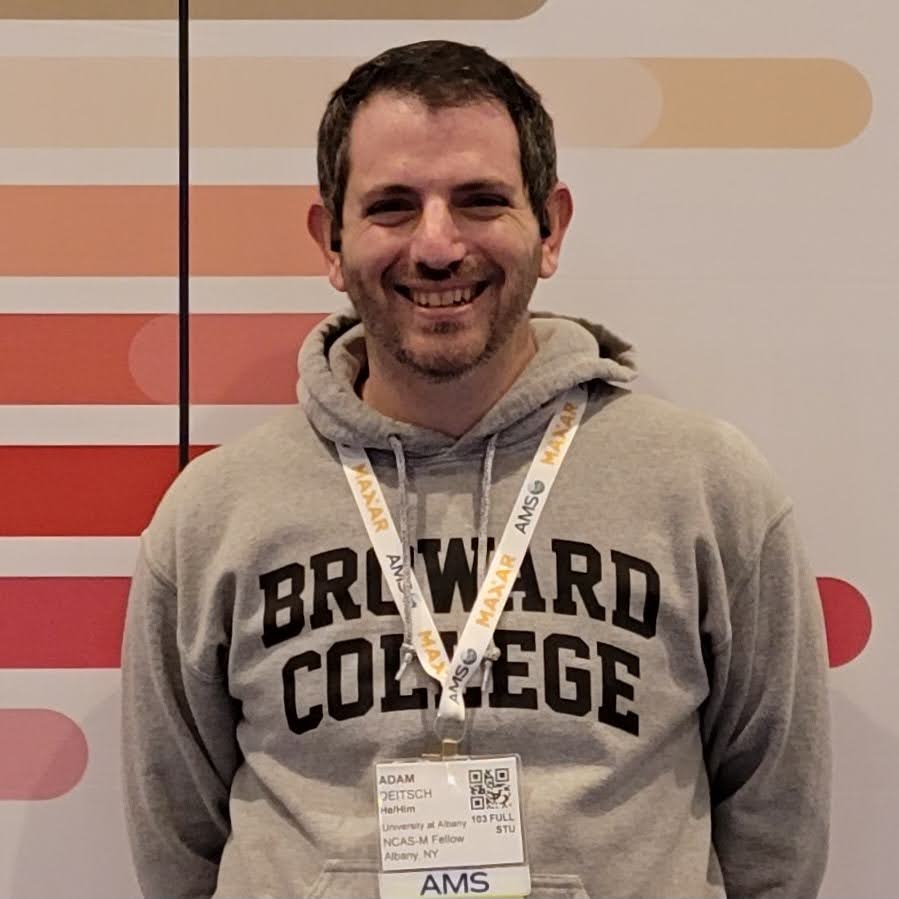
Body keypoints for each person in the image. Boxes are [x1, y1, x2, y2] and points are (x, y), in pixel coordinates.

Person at [121, 40, 831, 899]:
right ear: (331, 241)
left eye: (480, 200)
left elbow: (775, 827)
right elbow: (178, 839)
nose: (436, 244)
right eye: (390, 206)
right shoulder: (213, 515)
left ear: (551, 225)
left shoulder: (708, 487)